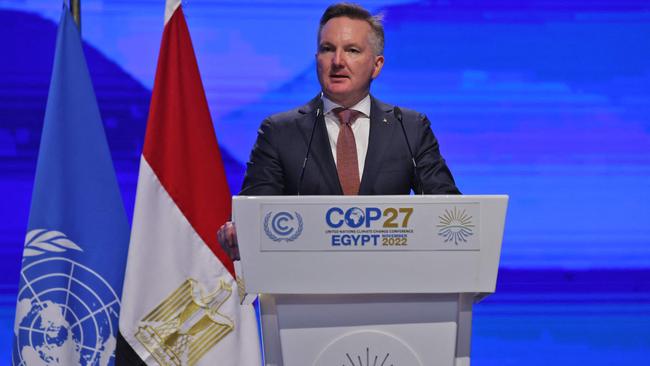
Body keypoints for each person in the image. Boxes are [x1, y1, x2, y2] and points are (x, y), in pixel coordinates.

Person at [219, 3, 460, 258]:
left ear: (376, 66)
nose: (337, 61)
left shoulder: (410, 128)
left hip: (391, 282)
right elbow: (253, 216)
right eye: (327, 49)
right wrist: (239, 234)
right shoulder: (279, 132)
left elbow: (450, 212)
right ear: (316, 60)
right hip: (305, 285)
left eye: (352, 50)